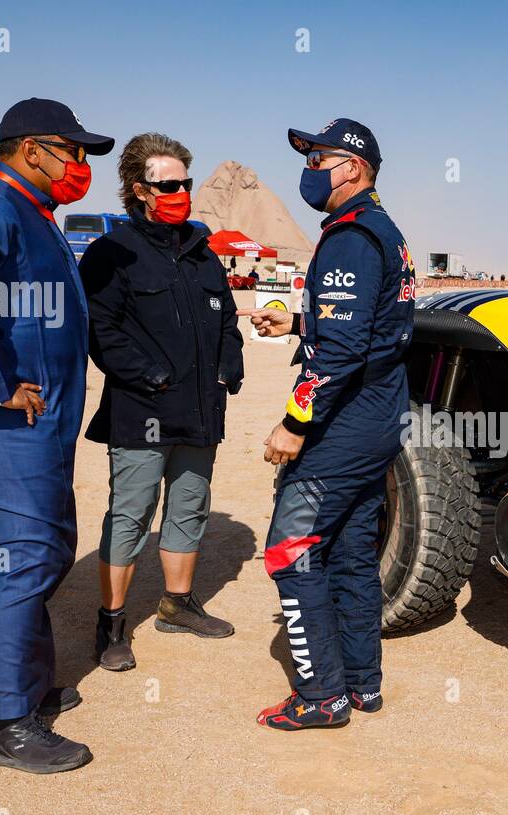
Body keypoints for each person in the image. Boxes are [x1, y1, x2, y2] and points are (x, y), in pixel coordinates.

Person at [0, 98, 113, 773]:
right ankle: (10, 725)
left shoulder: (28, 211)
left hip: (29, 416)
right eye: (74, 151)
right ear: (32, 148)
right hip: (11, 417)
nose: (81, 166)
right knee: (33, 551)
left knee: (0, 552)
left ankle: (3, 687)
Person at [241, 118, 415, 730]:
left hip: (343, 425)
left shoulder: (349, 238)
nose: (310, 169)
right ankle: (363, 685)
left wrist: (292, 424)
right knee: (346, 552)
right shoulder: (383, 233)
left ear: (353, 168)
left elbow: (341, 355)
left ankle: (322, 697)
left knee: (290, 550)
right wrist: (295, 325)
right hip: (379, 419)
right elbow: (371, 329)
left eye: (319, 158)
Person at [79, 133, 245, 671]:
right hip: (142, 411)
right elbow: (100, 331)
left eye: (185, 183)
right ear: (140, 190)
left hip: (200, 412)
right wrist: (149, 376)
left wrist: (230, 360)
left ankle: (177, 605)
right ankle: (111, 623)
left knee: (189, 507)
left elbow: (225, 319)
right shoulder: (113, 253)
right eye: (167, 184)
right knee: (130, 514)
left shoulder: (201, 251)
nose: (180, 192)